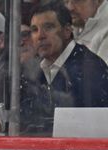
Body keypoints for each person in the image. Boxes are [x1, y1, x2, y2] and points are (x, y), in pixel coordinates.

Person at [18, 1, 108, 135]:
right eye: (34, 30)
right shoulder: (37, 71)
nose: (40, 36)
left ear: (67, 31)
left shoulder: (89, 69)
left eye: (48, 27)